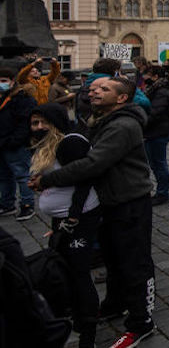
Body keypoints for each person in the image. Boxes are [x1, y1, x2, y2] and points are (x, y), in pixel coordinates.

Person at [31, 76, 156, 348]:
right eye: (94, 88)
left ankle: (141, 322)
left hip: (129, 201)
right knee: (112, 257)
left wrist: (49, 180)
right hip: (109, 201)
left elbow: (92, 163)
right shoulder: (99, 119)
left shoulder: (123, 125)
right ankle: (115, 304)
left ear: (121, 98)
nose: (94, 91)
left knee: (135, 262)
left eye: (104, 89)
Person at [29, 103, 100, 348]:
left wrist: (72, 217)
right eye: (34, 123)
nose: (38, 127)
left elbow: (85, 178)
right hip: (63, 219)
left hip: (80, 217)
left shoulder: (70, 142)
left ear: (55, 121)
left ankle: (88, 329)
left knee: (79, 273)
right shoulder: (48, 145)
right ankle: (78, 319)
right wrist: (57, 223)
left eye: (43, 122)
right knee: (66, 269)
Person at [0, 67, 38, 220]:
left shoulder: (21, 99)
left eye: (3, 81)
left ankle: (27, 205)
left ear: (12, 82)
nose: (0, 84)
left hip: (15, 144)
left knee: (22, 175)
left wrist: (15, 140)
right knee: (3, 177)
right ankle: (7, 203)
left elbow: (24, 124)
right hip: (2, 143)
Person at [141, 66, 169, 206]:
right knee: (155, 163)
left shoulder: (160, 92)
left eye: (146, 74)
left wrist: (141, 118)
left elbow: (154, 113)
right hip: (154, 131)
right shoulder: (155, 90)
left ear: (155, 76)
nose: (144, 77)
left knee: (159, 163)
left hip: (159, 131)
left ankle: (163, 193)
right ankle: (161, 191)